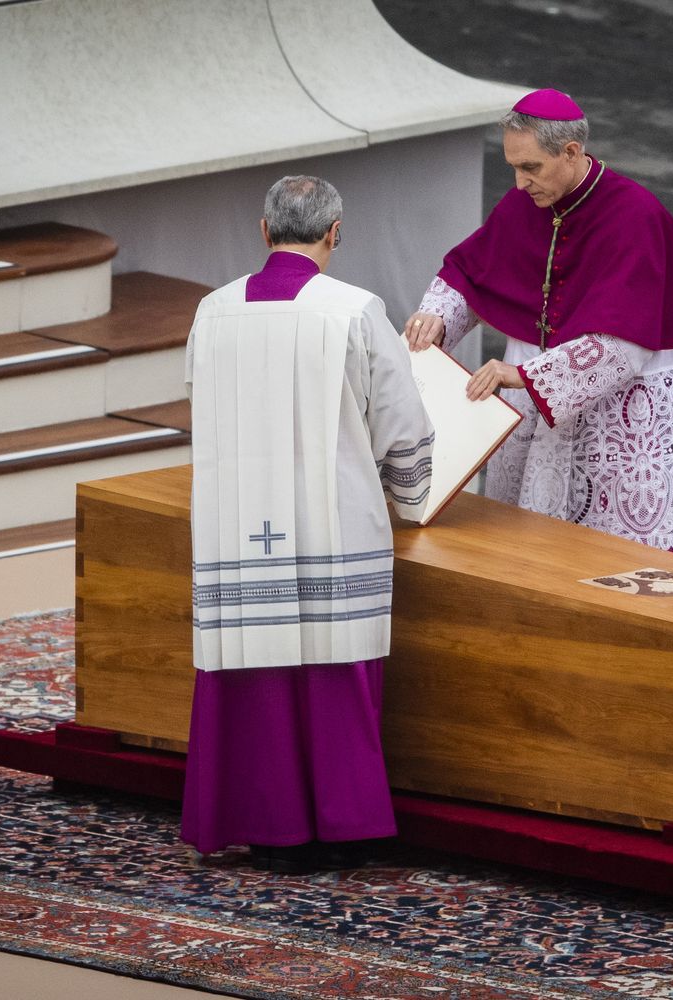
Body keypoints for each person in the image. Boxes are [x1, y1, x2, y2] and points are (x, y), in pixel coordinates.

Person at [182, 175, 435, 874]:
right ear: (334, 233)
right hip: (335, 522)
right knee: (334, 669)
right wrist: (411, 499)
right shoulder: (354, 311)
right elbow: (402, 424)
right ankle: (343, 828)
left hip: (238, 523)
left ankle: (266, 827)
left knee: (253, 674)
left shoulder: (212, 311)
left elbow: (200, 403)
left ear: (264, 232)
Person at [405, 88, 673, 556]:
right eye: (513, 168)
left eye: (531, 168)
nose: (521, 183)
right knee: (528, 560)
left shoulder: (637, 218)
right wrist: (437, 319)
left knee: (619, 565)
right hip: (537, 416)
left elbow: (622, 346)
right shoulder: (523, 205)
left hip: (616, 424)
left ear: (571, 152)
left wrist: (524, 375)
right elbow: (473, 274)